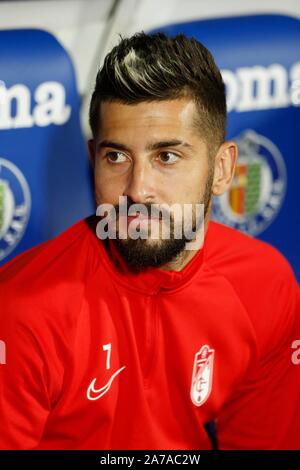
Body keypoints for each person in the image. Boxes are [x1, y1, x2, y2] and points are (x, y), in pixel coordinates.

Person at [0, 32, 299, 450]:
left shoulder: (264, 284)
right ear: (93, 159)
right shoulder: (22, 311)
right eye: (116, 157)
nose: (137, 190)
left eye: (167, 157)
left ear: (222, 169)